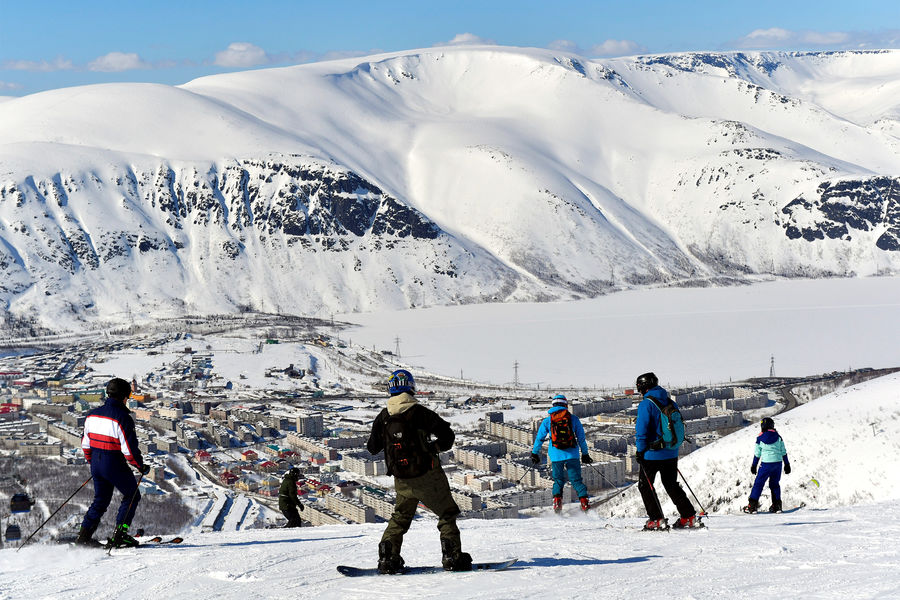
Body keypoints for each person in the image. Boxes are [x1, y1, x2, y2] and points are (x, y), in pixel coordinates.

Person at [366, 369, 472, 574]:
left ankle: (388, 558)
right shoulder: (420, 413)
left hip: (401, 479)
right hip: (427, 475)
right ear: (411, 387)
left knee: (400, 517)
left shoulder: (384, 416)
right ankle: (452, 556)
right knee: (446, 513)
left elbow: (372, 448)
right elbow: (447, 437)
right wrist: (433, 448)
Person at [76, 377, 149, 548]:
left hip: (96, 462)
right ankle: (120, 535)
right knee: (132, 495)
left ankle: (84, 536)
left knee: (100, 500)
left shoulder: (91, 415)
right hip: (113, 462)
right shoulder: (122, 417)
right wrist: (140, 466)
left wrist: (93, 462)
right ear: (124, 396)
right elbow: (129, 450)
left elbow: (85, 444)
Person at [633, 372, 698, 530]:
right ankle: (688, 516)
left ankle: (656, 519)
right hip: (671, 452)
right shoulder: (670, 401)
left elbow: (641, 430)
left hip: (652, 454)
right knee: (671, 484)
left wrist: (640, 451)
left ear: (642, 387)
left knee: (645, 485)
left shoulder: (646, 404)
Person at [531, 394, 593, 513]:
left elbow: (539, 438)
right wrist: (585, 454)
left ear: (553, 405)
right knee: (576, 481)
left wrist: (535, 453)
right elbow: (581, 439)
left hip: (556, 456)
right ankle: (585, 504)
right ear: (566, 405)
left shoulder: (547, 421)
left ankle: (557, 504)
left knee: (558, 481)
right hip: (572, 455)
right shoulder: (574, 419)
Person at [744, 417, 791, 513]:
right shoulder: (778, 437)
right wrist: (787, 464)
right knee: (774, 484)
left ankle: (752, 506)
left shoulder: (760, 438)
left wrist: (754, 465)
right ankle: (777, 506)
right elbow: (783, 451)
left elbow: (757, 454)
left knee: (759, 484)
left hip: (766, 464)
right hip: (777, 464)